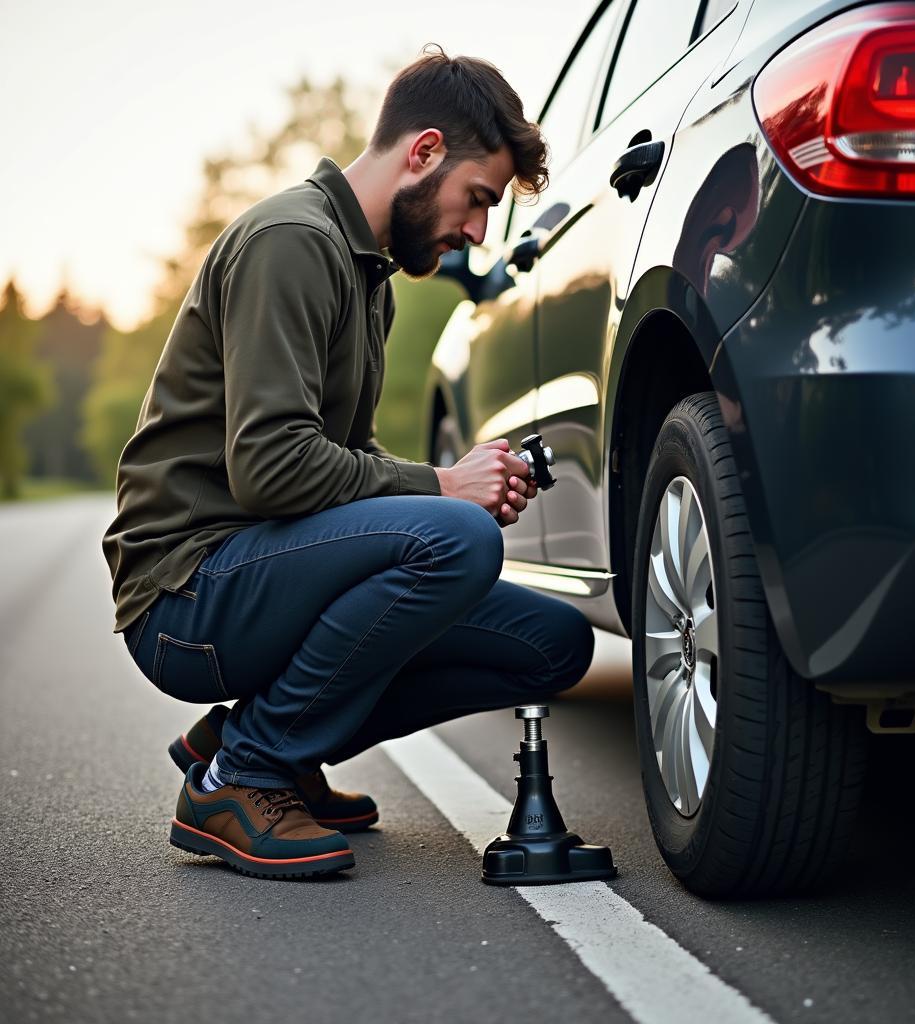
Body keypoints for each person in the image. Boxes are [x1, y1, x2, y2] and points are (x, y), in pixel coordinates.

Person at [102, 47, 595, 880]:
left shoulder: (370, 278)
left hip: (263, 569)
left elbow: (342, 459)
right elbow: (269, 467)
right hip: (187, 596)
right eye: (478, 199)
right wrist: (441, 489)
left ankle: (257, 744)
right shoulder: (291, 242)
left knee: (552, 643)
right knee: (456, 543)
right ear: (424, 151)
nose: (478, 231)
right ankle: (243, 775)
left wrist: (457, 490)